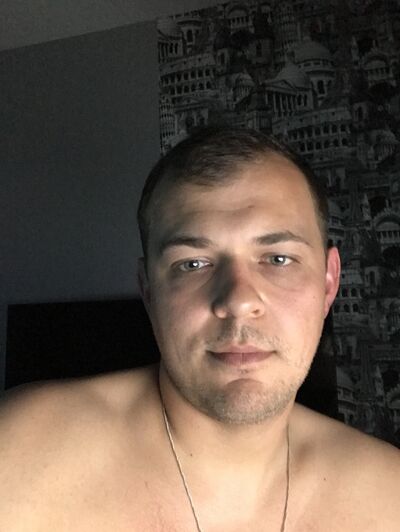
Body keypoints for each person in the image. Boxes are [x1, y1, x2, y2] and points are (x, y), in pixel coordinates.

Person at [0, 127, 399, 531]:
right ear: (148, 290)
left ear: (329, 282)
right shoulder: (22, 454)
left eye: (278, 259)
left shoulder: (389, 496)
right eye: (192, 264)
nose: (238, 301)